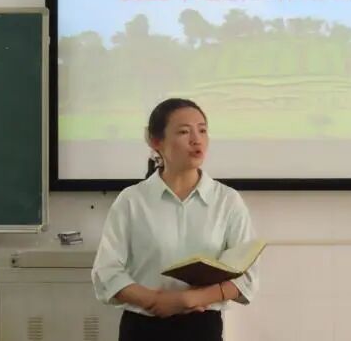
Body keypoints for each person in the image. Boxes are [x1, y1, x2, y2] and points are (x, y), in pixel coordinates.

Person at [91, 98, 259, 341]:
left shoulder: (227, 200)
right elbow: (106, 271)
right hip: (143, 326)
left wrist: (191, 299)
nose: (196, 139)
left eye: (202, 130)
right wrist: (155, 300)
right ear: (156, 142)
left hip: (202, 327)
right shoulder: (132, 200)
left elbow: (247, 276)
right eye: (184, 132)